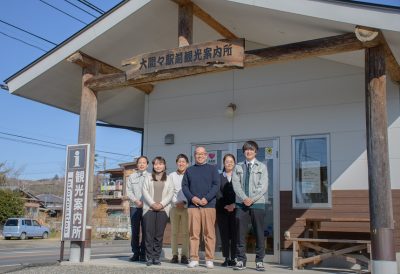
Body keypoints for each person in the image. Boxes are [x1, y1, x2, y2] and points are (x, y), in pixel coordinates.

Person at [232, 141, 268, 271]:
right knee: (240, 233)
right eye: (246, 150)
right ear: (243, 152)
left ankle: (259, 261)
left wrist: (251, 199)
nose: (249, 152)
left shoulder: (262, 167)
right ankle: (241, 260)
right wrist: (244, 198)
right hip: (241, 204)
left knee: (259, 232)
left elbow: (263, 187)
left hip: (257, 204)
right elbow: (236, 185)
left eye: (251, 150)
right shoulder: (238, 167)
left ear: (256, 152)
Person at [182, 146, 220, 269]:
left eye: (202, 154)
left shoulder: (213, 169)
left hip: (209, 206)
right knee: (194, 233)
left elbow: (216, 185)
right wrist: (192, 198)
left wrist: (206, 198)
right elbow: (185, 187)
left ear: (206, 155)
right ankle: (194, 258)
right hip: (193, 206)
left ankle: (209, 259)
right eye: (197, 154)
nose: (200, 156)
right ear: (194, 155)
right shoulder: (189, 170)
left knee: (209, 234)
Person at [142, 156, 174, 266]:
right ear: (153, 166)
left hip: (163, 210)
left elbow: (171, 193)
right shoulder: (148, 177)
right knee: (149, 234)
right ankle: (149, 257)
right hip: (149, 209)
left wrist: (161, 204)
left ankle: (156, 257)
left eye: (160, 164)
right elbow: (144, 191)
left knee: (159, 234)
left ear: (164, 166)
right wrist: (152, 204)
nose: (158, 166)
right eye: (156, 164)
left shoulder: (169, 178)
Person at [126, 156, 149, 262]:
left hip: (147, 207)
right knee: (135, 231)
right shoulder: (131, 177)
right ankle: (136, 253)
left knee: (146, 231)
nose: (142, 164)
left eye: (144, 162)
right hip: (134, 207)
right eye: (140, 162)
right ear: (137, 164)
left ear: (147, 165)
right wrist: (136, 201)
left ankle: (144, 254)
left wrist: (144, 202)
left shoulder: (151, 177)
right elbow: (128, 191)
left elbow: (152, 191)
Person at [216, 153, 237, 267]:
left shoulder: (238, 176)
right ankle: (226, 258)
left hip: (236, 210)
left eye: (231, 161)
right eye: (227, 161)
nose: (229, 163)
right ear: (223, 163)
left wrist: (233, 205)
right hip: (222, 210)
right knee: (224, 235)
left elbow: (239, 192)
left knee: (234, 234)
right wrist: (225, 205)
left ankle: (233, 258)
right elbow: (217, 193)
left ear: (234, 163)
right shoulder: (219, 177)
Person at [169, 154, 190, 265]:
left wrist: (185, 202)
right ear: (177, 163)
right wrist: (175, 202)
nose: (181, 163)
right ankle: (174, 255)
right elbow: (169, 191)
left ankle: (185, 255)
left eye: (183, 162)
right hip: (174, 207)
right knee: (174, 233)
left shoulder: (190, 174)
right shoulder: (171, 175)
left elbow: (192, 191)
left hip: (186, 207)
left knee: (186, 233)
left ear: (187, 164)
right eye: (179, 161)